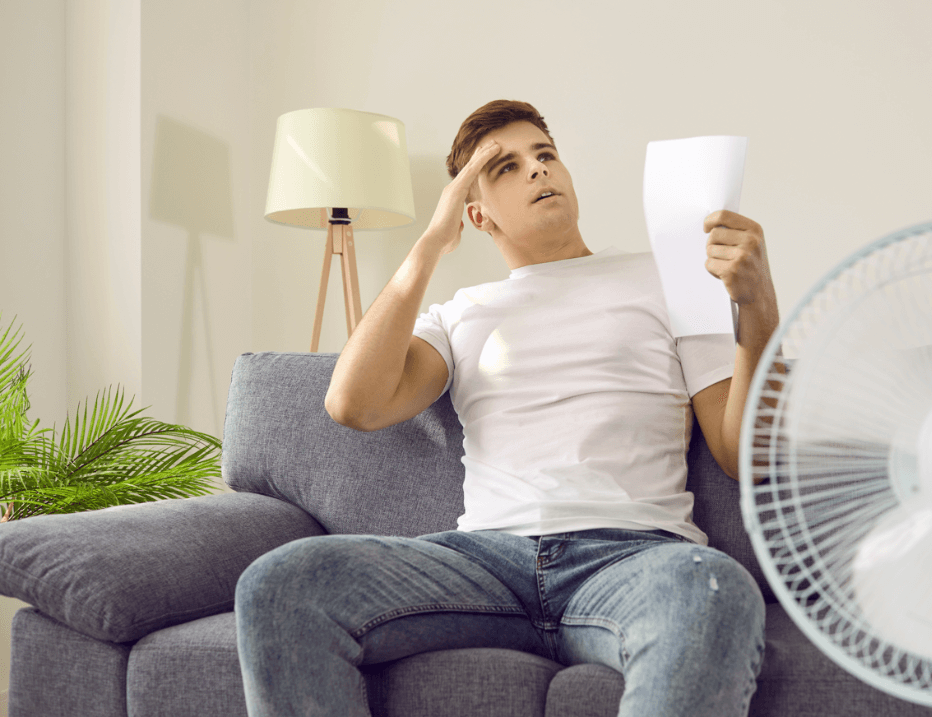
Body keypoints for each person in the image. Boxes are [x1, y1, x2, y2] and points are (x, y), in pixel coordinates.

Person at [235, 100, 780, 717]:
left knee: (714, 587)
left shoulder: (667, 279)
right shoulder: (460, 312)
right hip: (486, 564)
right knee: (280, 584)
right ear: (476, 213)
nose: (538, 170)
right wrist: (431, 245)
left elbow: (744, 454)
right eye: (507, 168)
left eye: (545, 155)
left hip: (632, 556)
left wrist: (759, 304)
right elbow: (352, 404)